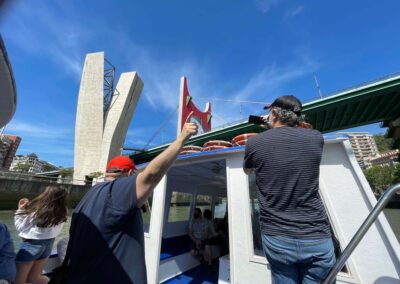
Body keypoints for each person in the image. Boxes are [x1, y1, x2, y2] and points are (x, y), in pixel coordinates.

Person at [65, 113, 198, 284]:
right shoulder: (116, 190)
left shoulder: (88, 196)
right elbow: (150, 176)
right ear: (129, 174)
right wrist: (182, 138)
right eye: (133, 176)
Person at [243, 95, 335, 284]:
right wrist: (275, 125)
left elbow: (247, 170)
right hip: (316, 235)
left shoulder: (254, 143)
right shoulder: (316, 138)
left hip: (277, 237)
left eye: (270, 113)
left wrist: (269, 129)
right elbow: (300, 133)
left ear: (274, 113)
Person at [14, 185, 68, 284]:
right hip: (48, 246)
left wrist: (20, 210)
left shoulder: (37, 211)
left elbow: (20, 227)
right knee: (34, 279)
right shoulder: (63, 212)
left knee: (19, 280)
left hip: (31, 246)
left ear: (46, 195)